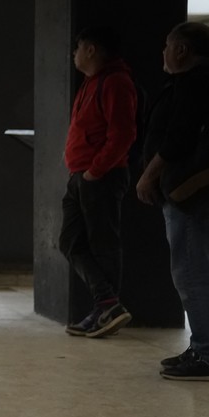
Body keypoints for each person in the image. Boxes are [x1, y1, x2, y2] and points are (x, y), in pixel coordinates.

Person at [136, 21, 209, 381]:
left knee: (192, 272)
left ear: (182, 50)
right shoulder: (203, 81)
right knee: (200, 269)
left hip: (191, 195)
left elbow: (177, 139)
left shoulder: (195, 84)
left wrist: (148, 175)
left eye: (168, 45)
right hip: (197, 193)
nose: (164, 52)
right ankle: (203, 345)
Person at [59, 26, 138, 338]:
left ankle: (105, 308)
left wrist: (95, 170)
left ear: (91, 49)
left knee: (103, 244)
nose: (74, 53)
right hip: (80, 176)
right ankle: (107, 303)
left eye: (78, 47)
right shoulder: (92, 82)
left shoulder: (116, 82)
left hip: (100, 177)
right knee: (70, 241)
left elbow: (123, 134)